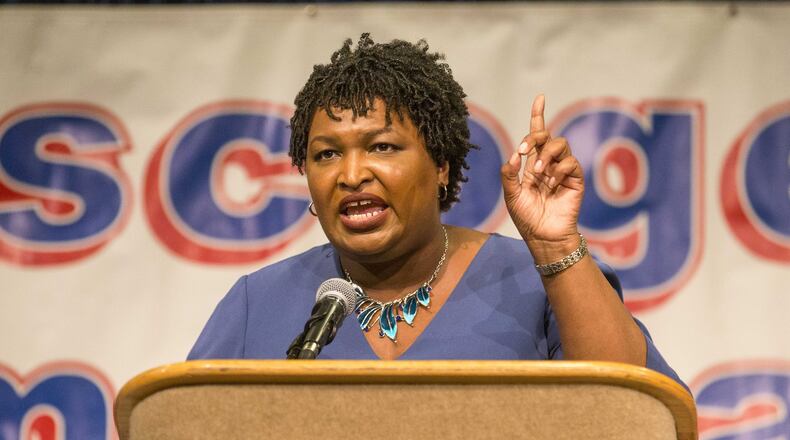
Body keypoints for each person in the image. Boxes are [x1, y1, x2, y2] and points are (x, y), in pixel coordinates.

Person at [188, 34, 686, 388]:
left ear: (441, 166)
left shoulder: (534, 283)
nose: (351, 174)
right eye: (326, 154)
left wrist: (556, 246)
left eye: (382, 147)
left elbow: (635, 414)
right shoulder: (259, 302)